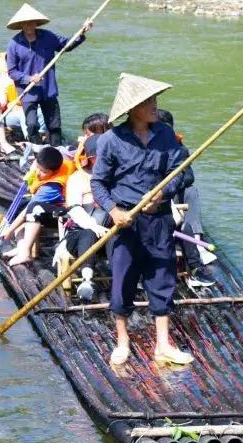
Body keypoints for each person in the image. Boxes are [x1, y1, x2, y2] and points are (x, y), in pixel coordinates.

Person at [91, 73, 195, 367]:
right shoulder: (111, 140)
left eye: (154, 100)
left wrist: (163, 192)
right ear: (134, 107)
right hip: (127, 221)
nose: (155, 106)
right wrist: (114, 211)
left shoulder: (165, 135)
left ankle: (163, 344)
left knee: (162, 277)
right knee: (123, 279)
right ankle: (122, 342)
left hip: (159, 221)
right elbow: (99, 183)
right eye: (149, 101)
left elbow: (185, 172)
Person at [5, 3, 91, 147]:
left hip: (48, 89)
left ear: (36, 23)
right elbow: (12, 72)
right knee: (32, 125)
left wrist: (82, 32)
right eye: (25, 23)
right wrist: (28, 78)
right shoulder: (14, 44)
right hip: (28, 92)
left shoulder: (47, 36)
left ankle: (56, 150)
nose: (28, 25)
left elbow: (66, 45)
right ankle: (37, 149)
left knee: (54, 125)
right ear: (21, 25)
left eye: (31, 22)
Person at [156, 108, 215, 288]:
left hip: (173, 190)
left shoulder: (179, 149)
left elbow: (189, 176)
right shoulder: (145, 148)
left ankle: (196, 239)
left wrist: (176, 179)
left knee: (190, 190)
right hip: (153, 192)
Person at [55, 133, 110, 299]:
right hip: (80, 234)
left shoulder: (118, 177)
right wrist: (94, 226)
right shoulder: (77, 179)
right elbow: (74, 210)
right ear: (92, 158)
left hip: (109, 232)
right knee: (88, 233)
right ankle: (87, 279)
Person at [1, 146, 75, 266]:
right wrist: (32, 172)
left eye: (44, 172)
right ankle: (21, 246)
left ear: (54, 171)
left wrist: (9, 231)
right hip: (48, 205)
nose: (39, 173)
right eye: (38, 168)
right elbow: (38, 161)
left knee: (33, 209)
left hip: (64, 212)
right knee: (18, 207)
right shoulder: (42, 164)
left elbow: (27, 211)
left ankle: (25, 253)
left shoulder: (51, 187)